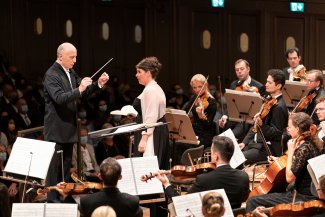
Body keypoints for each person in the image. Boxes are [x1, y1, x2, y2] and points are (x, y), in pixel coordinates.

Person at [43, 42, 109, 202]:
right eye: (72, 57)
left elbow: (83, 93)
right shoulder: (51, 74)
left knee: (65, 169)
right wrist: (79, 89)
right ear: (60, 56)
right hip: (57, 129)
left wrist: (97, 84)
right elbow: (59, 98)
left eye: (75, 57)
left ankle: (63, 199)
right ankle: (53, 201)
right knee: (55, 170)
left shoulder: (70, 71)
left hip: (69, 127)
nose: (74, 60)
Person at [246, 112, 324, 212]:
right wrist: (278, 160)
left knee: (253, 201)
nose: (288, 130)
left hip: (302, 197)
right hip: (304, 193)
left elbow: (289, 178)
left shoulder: (304, 148)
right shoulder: (311, 142)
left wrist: (291, 152)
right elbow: (297, 165)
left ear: (297, 129)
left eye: (289, 127)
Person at [156, 136, 250, 209]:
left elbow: (181, 203)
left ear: (216, 156)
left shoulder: (204, 179)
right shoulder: (243, 177)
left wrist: (166, 184)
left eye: (212, 152)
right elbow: (244, 199)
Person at [57, 157, 143, 217]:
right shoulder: (132, 201)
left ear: (100, 176)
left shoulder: (87, 201)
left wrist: (67, 196)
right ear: (120, 177)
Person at [239, 69, 288, 164]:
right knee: (232, 153)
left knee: (238, 159)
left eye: (269, 82)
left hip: (267, 149)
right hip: (256, 144)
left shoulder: (279, 107)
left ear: (278, 86)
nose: (266, 84)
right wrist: (244, 142)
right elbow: (255, 127)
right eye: (266, 81)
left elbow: (277, 133)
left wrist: (261, 125)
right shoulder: (269, 100)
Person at [132, 56, 169, 169]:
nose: (136, 75)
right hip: (156, 130)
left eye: (139, 72)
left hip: (152, 132)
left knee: (149, 168)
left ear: (148, 73)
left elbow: (151, 117)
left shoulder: (150, 90)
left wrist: (143, 139)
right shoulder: (154, 87)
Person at [219, 59, 266, 141]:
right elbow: (230, 105)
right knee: (221, 133)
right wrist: (225, 116)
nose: (239, 72)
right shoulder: (234, 84)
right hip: (234, 119)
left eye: (242, 69)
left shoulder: (259, 86)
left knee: (227, 138)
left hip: (248, 121)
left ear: (248, 69)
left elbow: (260, 109)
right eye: (237, 70)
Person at [185, 74, 217, 149]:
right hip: (194, 131)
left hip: (206, 134)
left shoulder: (211, 101)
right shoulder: (194, 98)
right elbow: (185, 111)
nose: (197, 90)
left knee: (186, 146)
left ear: (205, 85)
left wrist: (201, 115)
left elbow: (208, 125)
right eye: (194, 87)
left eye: (199, 86)